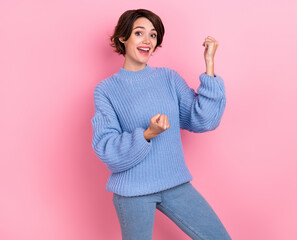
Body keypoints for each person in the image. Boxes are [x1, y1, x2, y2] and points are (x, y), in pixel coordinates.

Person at [91, 8, 231, 240]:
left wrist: (209, 65)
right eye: (139, 33)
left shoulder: (168, 78)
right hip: (132, 192)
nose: (147, 40)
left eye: (153, 35)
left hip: (174, 183)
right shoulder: (106, 90)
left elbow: (203, 119)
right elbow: (106, 148)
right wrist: (146, 134)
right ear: (122, 38)